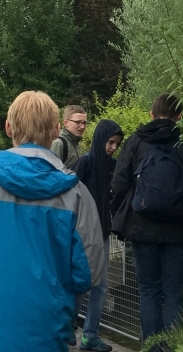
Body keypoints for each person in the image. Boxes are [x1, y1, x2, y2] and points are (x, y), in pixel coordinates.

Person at [0, 91, 105, 352]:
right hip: (45, 334)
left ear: (8, 127)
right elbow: (89, 274)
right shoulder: (76, 195)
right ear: (56, 130)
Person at [110, 94, 183, 350]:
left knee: (148, 291)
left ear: (151, 114)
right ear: (179, 115)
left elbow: (119, 183)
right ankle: (174, 348)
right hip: (179, 230)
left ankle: (151, 348)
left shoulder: (135, 141)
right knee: (176, 292)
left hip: (142, 227)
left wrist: (118, 214)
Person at [73, 119, 125, 352]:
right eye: (110, 142)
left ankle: (90, 334)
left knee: (101, 285)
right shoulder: (86, 163)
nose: (113, 148)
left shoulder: (113, 166)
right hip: (82, 233)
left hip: (102, 232)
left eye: (117, 144)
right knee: (81, 281)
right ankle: (69, 326)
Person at [51, 104, 88, 170]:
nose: (82, 126)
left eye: (84, 123)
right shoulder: (59, 143)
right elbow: (52, 172)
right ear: (66, 123)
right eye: (78, 122)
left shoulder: (75, 141)